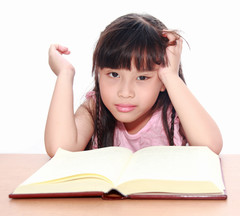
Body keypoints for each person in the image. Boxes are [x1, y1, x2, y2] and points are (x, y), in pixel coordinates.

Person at [45, 13, 223, 157]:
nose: (125, 92)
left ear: (161, 80)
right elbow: (60, 149)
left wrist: (170, 75)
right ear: (99, 73)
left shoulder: (172, 111)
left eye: (142, 78)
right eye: (114, 74)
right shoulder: (95, 108)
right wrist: (64, 74)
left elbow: (211, 146)